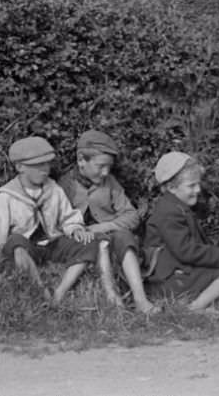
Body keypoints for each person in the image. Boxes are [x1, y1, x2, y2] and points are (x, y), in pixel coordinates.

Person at [0, 136, 101, 305]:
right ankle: (41, 291)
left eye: (47, 164)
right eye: (38, 165)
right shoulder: (5, 197)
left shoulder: (53, 189)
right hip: (25, 249)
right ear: (20, 167)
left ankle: (60, 292)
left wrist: (76, 229)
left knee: (90, 244)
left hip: (51, 244)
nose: (45, 169)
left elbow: (68, 216)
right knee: (16, 240)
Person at [58, 129, 159, 315]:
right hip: (82, 242)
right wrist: (79, 231)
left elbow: (131, 215)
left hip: (112, 237)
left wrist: (102, 227)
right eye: (100, 166)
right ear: (81, 160)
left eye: (109, 167)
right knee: (97, 244)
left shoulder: (110, 183)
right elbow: (57, 222)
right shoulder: (65, 185)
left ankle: (140, 299)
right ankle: (113, 299)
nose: (105, 172)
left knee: (125, 236)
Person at [143, 151, 219, 313]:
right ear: (170, 187)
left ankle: (191, 302)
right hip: (168, 279)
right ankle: (193, 308)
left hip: (177, 274)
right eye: (191, 185)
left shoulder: (176, 207)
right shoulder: (169, 212)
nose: (197, 190)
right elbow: (186, 251)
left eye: (198, 184)